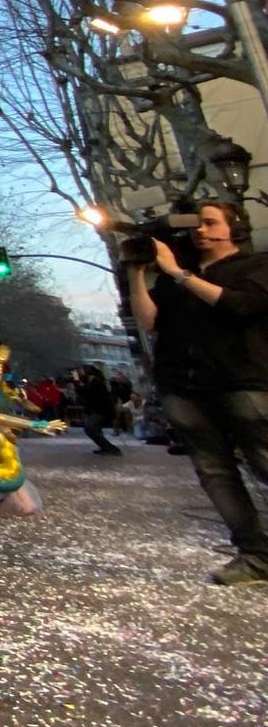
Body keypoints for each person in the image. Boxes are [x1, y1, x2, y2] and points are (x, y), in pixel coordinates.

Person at [129, 200, 268, 584]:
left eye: (209, 223)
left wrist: (178, 272)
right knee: (214, 472)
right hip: (183, 385)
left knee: (264, 460)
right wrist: (137, 274)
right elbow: (150, 321)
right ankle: (255, 555)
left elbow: (239, 305)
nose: (200, 231)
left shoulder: (256, 266)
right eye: (196, 225)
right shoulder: (176, 283)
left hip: (240, 378)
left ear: (234, 228)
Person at [74, 364, 122, 456]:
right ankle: (105, 448)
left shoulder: (96, 382)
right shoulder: (93, 381)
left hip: (102, 411)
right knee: (94, 430)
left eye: (81, 371)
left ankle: (111, 449)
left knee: (90, 429)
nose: (80, 373)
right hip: (99, 411)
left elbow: (83, 391)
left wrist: (76, 381)